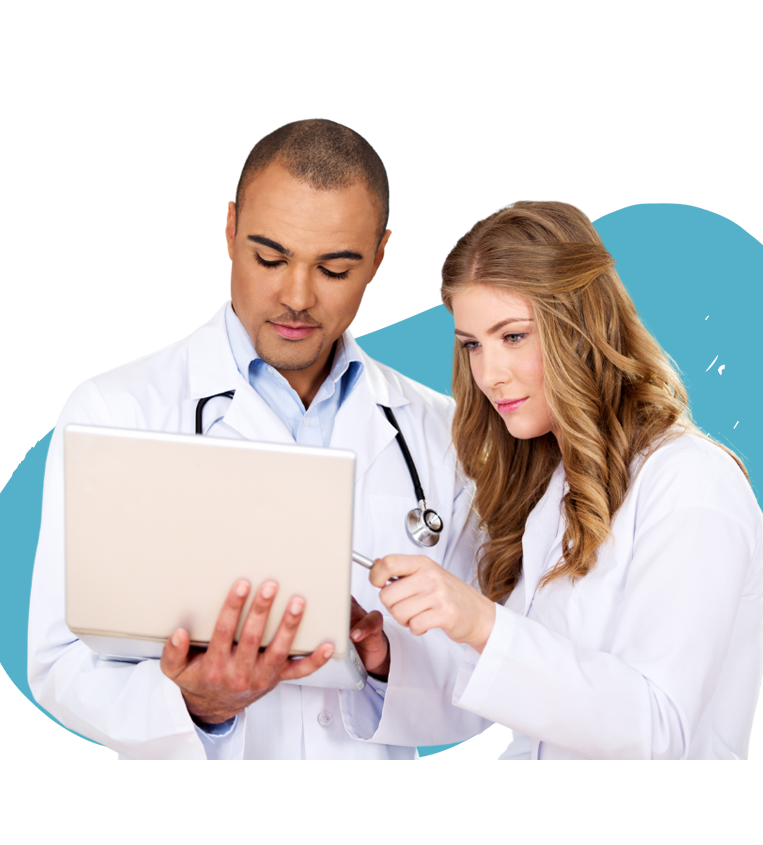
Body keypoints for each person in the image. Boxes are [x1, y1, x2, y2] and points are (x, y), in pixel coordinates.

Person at [27, 119, 489, 760]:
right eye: (269, 258)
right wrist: (196, 704)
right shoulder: (117, 410)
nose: (296, 297)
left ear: (378, 260)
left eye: (333, 268)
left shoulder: (444, 432)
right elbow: (58, 662)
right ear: (230, 231)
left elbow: (478, 684)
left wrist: (387, 666)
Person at [364, 201, 763, 759]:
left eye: (513, 337)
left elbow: (658, 728)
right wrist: (385, 660)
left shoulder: (690, 482)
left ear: (581, 326)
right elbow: (528, 693)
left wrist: (481, 621)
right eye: (472, 344)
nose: (487, 374)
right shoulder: (553, 492)